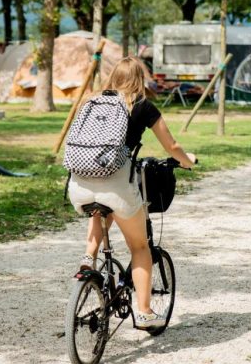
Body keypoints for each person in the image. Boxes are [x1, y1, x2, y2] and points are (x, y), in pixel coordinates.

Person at [67, 57, 196, 329]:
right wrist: (186, 161)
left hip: (79, 185)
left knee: (101, 204)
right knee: (139, 246)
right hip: (117, 185)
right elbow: (171, 145)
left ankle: (88, 259)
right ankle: (145, 312)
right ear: (140, 78)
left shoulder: (90, 101)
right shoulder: (141, 105)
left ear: (113, 76)